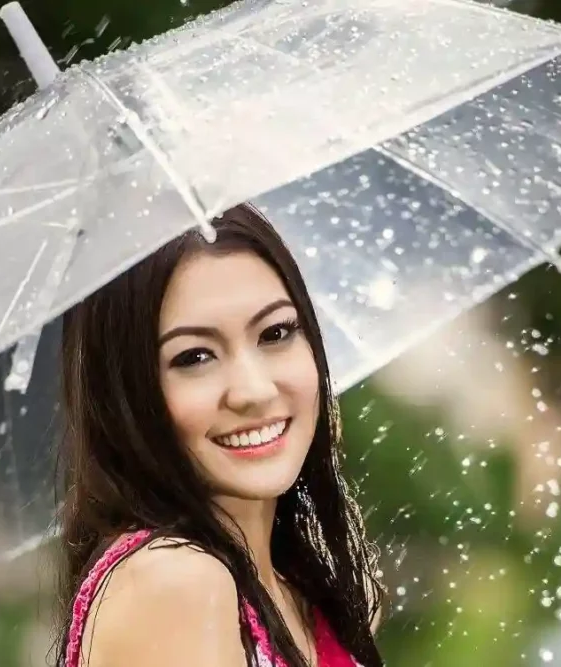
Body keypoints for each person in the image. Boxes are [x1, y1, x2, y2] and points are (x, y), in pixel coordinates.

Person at [52, 203, 385, 667]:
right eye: (194, 358)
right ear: (126, 393)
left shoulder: (304, 595)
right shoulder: (174, 583)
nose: (253, 390)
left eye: (275, 332)